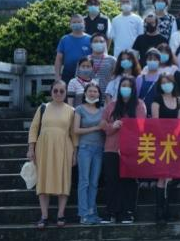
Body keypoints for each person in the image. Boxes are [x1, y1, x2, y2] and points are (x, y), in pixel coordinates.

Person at [27, 80, 78, 229]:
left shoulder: (71, 110)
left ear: (66, 93)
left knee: (63, 180)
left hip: (64, 148)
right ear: (51, 92)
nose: (58, 93)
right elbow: (34, 128)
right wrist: (31, 148)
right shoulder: (43, 108)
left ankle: (61, 214)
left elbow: (74, 133)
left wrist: (75, 153)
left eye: (62, 91)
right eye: (55, 90)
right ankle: (44, 215)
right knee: (43, 181)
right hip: (43, 147)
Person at [100, 77, 147, 224]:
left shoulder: (139, 105)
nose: (125, 88)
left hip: (130, 149)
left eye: (129, 86)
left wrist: (127, 127)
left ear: (133, 89)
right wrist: (112, 126)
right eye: (123, 85)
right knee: (111, 180)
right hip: (111, 148)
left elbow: (141, 127)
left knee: (129, 180)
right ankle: (111, 212)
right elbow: (103, 124)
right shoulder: (111, 105)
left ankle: (128, 212)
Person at [150, 73, 180, 223]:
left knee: (171, 176)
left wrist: (174, 137)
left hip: (174, 142)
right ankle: (159, 211)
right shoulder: (157, 100)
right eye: (163, 82)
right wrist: (164, 137)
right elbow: (155, 121)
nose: (166, 85)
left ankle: (168, 209)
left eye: (168, 82)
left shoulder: (179, 101)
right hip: (160, 141)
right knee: (162, 176)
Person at [73, 82, 105, 225]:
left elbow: (105, 128)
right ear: (85, 93)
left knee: (94, 183)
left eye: (95, 91)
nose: (92, 94)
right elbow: (76, 130)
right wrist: (96, 128)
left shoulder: (103, 110)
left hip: (99, 149)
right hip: (85, 148)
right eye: (90, 91)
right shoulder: (79, 109)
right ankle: (83, 214)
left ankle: (92, 212)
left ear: (99, 94)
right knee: (84, 181)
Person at [55, 14, 91, 83]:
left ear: (84, 23)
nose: (77, 24)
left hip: (86, 73)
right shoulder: (64, 39)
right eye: (74, 22)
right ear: (70, 24)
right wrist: (57, 75)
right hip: (68, 74)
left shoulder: (90, 39)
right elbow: (58, 59)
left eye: (79, 22)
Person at [88, 33, 116, 105]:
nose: (98, 43)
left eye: (101, 41)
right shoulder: (85, 60)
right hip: (88, 98)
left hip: (107, 99)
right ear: (91, 44)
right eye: (95, 41)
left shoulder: (112, 60)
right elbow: (79, 78)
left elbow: (115, 80)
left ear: (105, 44)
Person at [136, 48, 163, 115]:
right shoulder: (140, 78)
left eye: (155, 59)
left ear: (159, 61)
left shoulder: (163, 78)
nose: (152, 61)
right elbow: (135, 98)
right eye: (150, 59)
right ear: (146, 61)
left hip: (159, 115)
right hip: (142, 115)